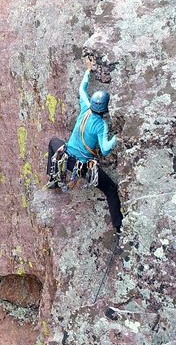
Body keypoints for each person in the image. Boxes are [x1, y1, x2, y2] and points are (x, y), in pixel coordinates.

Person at [46, 56, 123, 232]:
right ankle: (118, 227)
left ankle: (53, 178)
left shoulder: (85, 108)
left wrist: (88, 71)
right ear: (105, 109)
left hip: (65, 156)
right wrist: (118, 137)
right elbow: (104, 149)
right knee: (111, 189)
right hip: (82, 167)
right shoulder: (101, 125)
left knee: (53, 142)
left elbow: (82, 89)